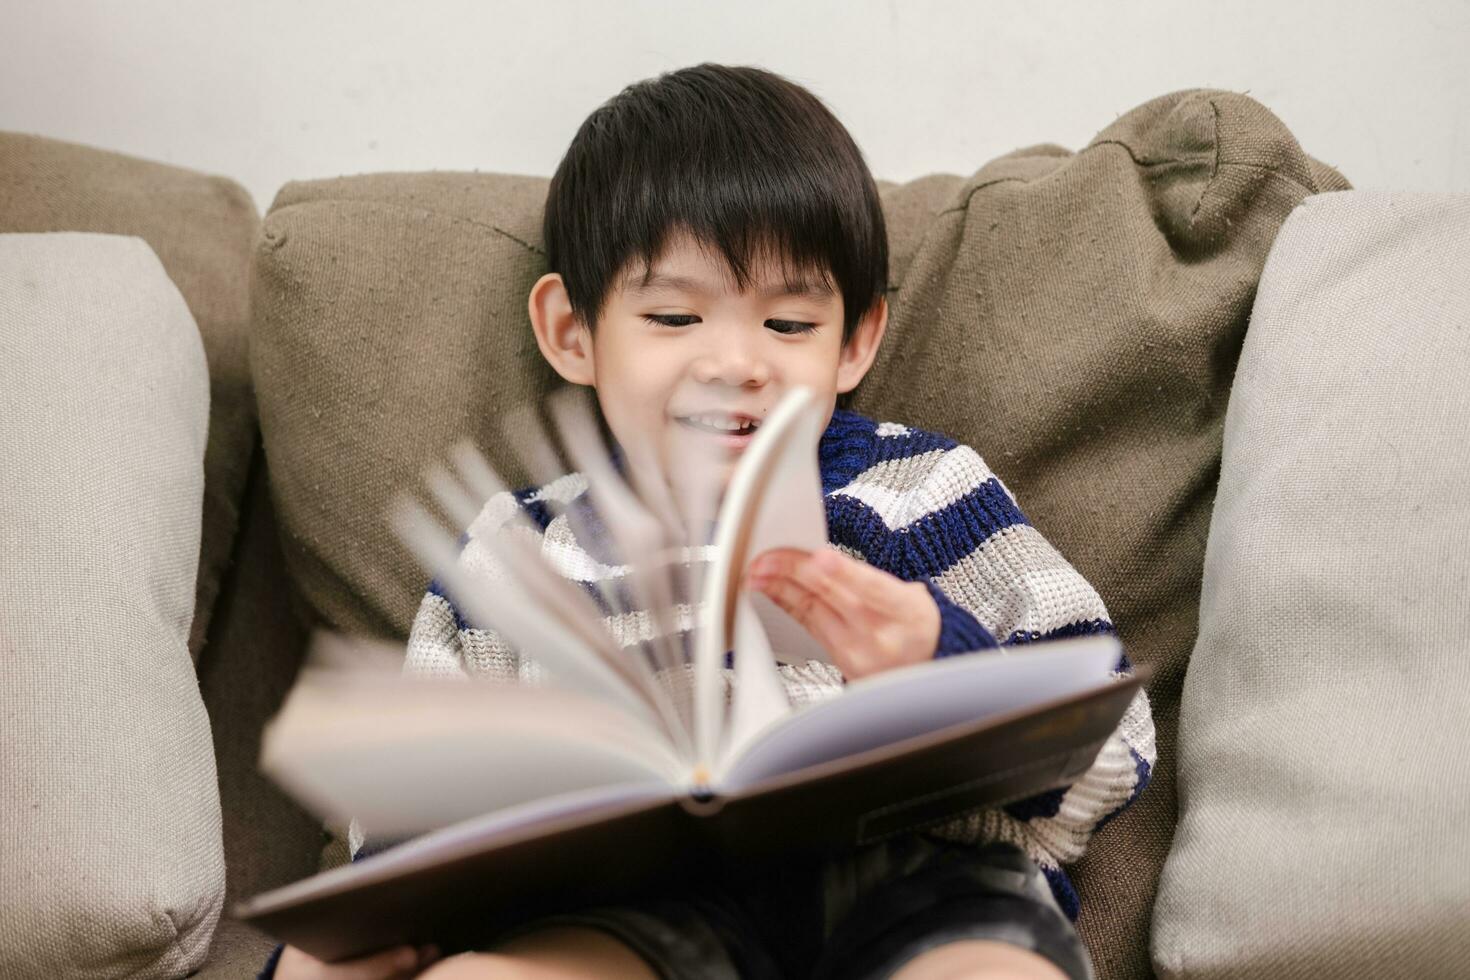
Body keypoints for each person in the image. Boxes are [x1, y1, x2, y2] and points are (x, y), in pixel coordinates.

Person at [263, 62, 1154, 980]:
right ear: (573, 332)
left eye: (788, 326)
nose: (735, 362)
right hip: (625, 913)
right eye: (676, 314)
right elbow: (406, 816)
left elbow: (1115, 745)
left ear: (855, 340)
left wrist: (940, 658)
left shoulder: (921, 491)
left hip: (922, 884)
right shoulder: (516, 548)